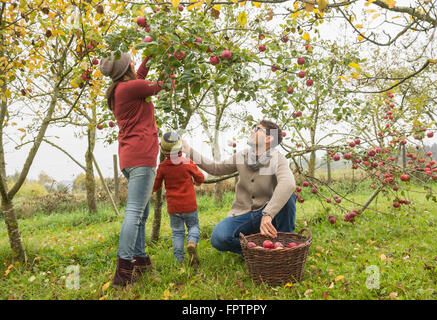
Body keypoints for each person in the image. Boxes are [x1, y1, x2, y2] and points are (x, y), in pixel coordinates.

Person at [100, 52, 174, 287]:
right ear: (125, 67)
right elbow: (163, 85)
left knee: (141, 214)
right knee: (134, 213)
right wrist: (170, 57)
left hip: (130, 158)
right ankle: (123, 272)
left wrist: (153, 51)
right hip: (141, 157)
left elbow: (140, 75)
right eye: (131, 60)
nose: (134, 62)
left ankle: (140, 261)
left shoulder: (120, 89)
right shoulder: (130, 88)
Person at [182, 120, 296, 255]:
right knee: (219, 238)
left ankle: (283, 245)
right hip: (242, 214)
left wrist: (268, 213)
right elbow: (216, 168)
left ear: (268, 138)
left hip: (266, 212)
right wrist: (189, 151)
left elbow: (288, 183)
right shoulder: (242, 156)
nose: (252, 130)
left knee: (289, 196)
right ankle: (259, 250)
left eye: (257, 128)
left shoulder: (277, 158)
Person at [152, 132, 204, 269]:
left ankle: (179, 260)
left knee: (177, 232)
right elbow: (200, 177)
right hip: (189, 205)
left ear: (163, 150)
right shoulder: (187, 162)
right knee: (193, 227)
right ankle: (192, 242)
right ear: (180, 147)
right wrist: (197, 181)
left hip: (174, 207)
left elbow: (155, 186)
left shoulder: (162, 167)